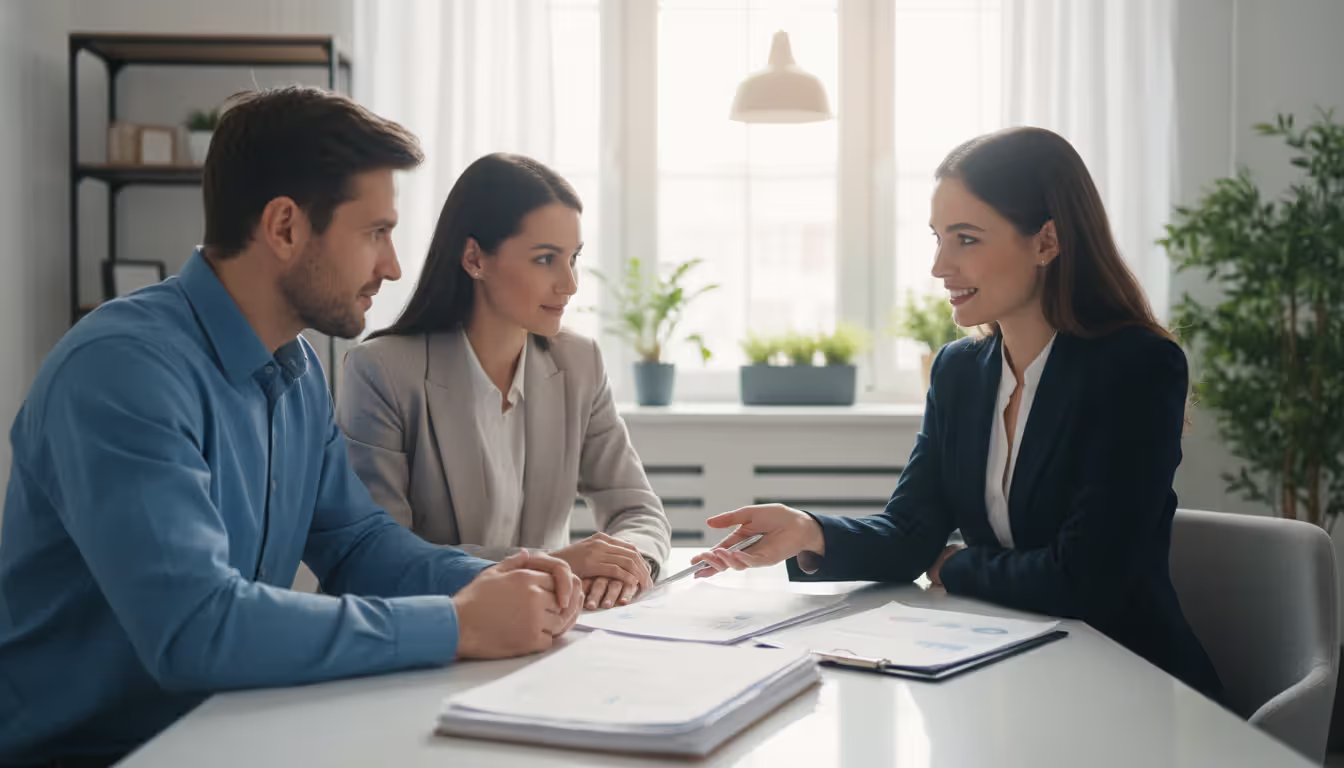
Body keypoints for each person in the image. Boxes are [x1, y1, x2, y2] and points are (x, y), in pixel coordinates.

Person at [0, 87, 583, 767]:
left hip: (231, 731)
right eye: (376, 233)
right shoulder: (122, 371)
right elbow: (197, 627)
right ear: (284, 228)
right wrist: (457, 623)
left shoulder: (297, 366)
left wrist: (497, 576)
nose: (393, 266)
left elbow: (357, 544)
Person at [689, 127, 1225, 703]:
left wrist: (959, 566)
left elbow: (1085, 580)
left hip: (1130, 684)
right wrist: (808, 532)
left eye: (966, 239)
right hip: (1010, 673)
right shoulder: (960, 371)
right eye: (938, 238)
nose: (940, 265)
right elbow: (910, 534)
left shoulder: (1136, 367)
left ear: (1047, 241)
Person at [338, 153, 670, 612]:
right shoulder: (382, 372)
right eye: (545, 259)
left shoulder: (579, 363)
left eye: (572, 258)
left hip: (552, 630)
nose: (569, 283)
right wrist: (550, 563)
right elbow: (382, 559)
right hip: (432, 634)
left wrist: (628, 565)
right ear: (474, 258)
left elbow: (637, 510)